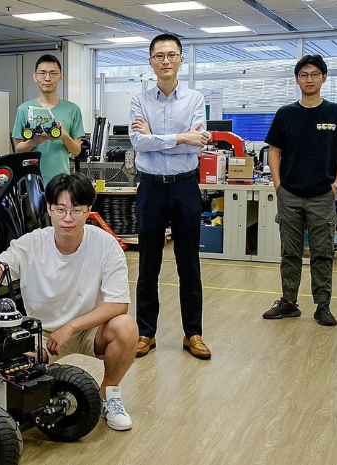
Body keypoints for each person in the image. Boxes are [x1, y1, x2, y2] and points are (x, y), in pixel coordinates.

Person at [0, 173, 138, 431]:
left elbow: (118, 304)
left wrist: (71, 327)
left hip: (88, 329)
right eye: (61, 209)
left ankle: (109, 395)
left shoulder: (106, 245)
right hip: (42, 333)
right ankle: (48, 385)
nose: (68, 218)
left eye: (76, 210)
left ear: (89, 209)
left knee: (126, 327)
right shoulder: (31, 244)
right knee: (17, 369)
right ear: (49, 209)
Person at [128, 33, 211, 360]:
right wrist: (181, 137)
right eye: (159, 55)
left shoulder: (194, 98)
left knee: (189, 264)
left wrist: (159, 138)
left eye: (171, 55)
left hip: (184, 186)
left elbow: (197, 144)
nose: (166, 61)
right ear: (151, 62)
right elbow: (139, 143)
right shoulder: (139, 100)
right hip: (150, 187)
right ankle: (145, 333)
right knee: (148, 264)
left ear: (181, 60)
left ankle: (194, 333)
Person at [262, 55, 337, 326]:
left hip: (322, 195)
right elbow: (274, 150)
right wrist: (278, 185)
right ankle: (289, 302)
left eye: (315, 74)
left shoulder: (336, 112)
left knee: (322, 252)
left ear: (324, 78)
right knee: (290, 252)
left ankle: (323, 305)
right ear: (296, 79)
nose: (309, 79)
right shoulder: (286, 113)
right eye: (304, 75)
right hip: (290, 194)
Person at [12, 54, 84, 184]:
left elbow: (76, 151)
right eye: (42, 73)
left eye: (53, 73)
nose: (47, 78)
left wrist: (64, 136)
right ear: (35, 76)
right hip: (31, 181)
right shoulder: (24, 109)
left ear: (60, 76)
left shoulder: (72, 109)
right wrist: (33, 142)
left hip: (60, 181)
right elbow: (18, 149)